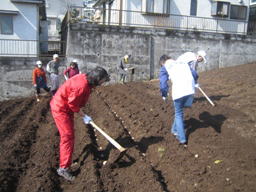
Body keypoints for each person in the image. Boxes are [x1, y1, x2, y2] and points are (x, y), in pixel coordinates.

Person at [50, 66, 110, 181]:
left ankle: (65, 164)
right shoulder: (81, 87)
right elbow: (72, 104)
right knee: (67, 137)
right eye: (102, 80)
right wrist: (84, 116)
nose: (103, 82)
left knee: (70, 135)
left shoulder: (85, 78)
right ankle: (63, 168)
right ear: (97, 79)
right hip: (61, 109)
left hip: (65, 107)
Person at [159, 55, 196, 147]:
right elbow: (195, 74)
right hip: (191, 90)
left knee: (179, 114)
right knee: (179, 111)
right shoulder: (182, 62)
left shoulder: (165, 67)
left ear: (163, 62)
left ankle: (182, 138)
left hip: (179, 91)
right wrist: (195, 82)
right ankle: (174, 130)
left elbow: (163, 83)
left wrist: (164, 94)